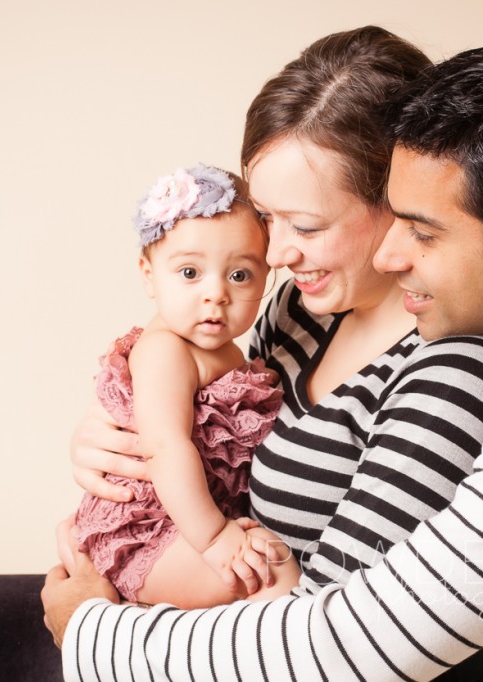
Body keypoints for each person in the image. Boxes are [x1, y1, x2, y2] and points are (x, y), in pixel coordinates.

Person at [42, 43, 483, 681]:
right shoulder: (316, 309)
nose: (393, 257)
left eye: (419, 231)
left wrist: (95, 635)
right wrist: (130, 426)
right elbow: (213, 422)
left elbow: (364, 647)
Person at [60, 25, 483, 605]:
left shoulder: (452, 371)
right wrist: (112, 443)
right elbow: (214, 434)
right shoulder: (301, 309)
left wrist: (89, 623)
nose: (275, 256)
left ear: (398, 200)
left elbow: (340, 637)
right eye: (267, 218)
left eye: (304, 226)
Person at [65, 163, 298, 609]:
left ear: (266, 278)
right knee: (271, 574)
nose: (216, 294)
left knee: (269, 568)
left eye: (239, 275)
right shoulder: (165, 351)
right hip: (146, 531)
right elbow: (166, 448)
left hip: (189, 520)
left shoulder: (226, 350)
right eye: (190, 273)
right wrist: (214, 538)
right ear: (149, 274)